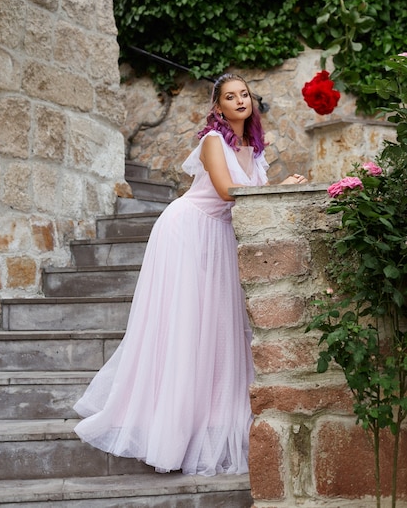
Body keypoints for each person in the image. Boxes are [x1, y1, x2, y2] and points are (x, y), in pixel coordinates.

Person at [73, 72, 307, 476]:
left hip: (220, 236)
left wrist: (280, 186)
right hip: (189, 229)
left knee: (218, 327)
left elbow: (254, 199)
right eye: (230, 97)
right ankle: (168, 426)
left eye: (244, 95)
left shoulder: (255, 147)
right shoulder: (213, 142)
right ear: (217, 107)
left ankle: (211, 414)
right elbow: (226, 190)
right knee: (186, 324)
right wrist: (280, 186)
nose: (239, 101)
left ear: (251, 102)